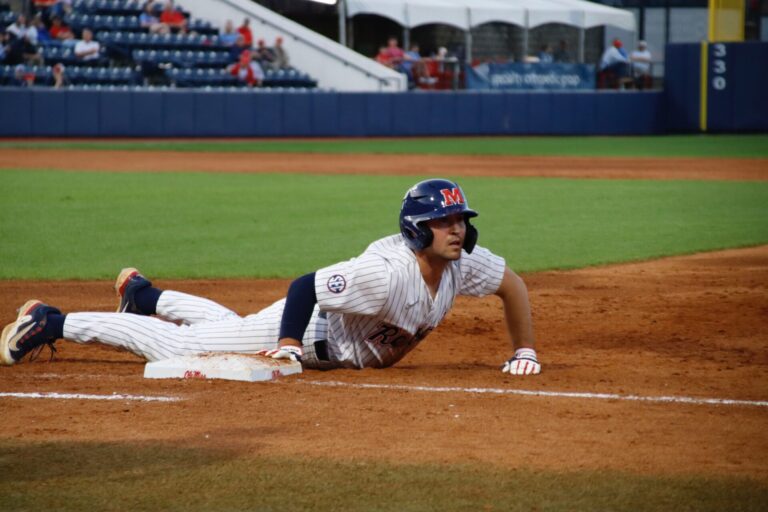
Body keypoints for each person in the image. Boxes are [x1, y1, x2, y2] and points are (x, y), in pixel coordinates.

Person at [1, 179, 541, 377]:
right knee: (181, 347)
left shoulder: (460, 262)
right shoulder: (384, 274)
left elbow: (512, 285)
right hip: (309, 333)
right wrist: (286, 345)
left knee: (226, 328)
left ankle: (145, 295)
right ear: (418, 229)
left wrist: (524, 350)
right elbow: (305, 286)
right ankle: (49, 321)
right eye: (444, 221)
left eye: (460, 220)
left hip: (327, 343)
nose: (456, 229)